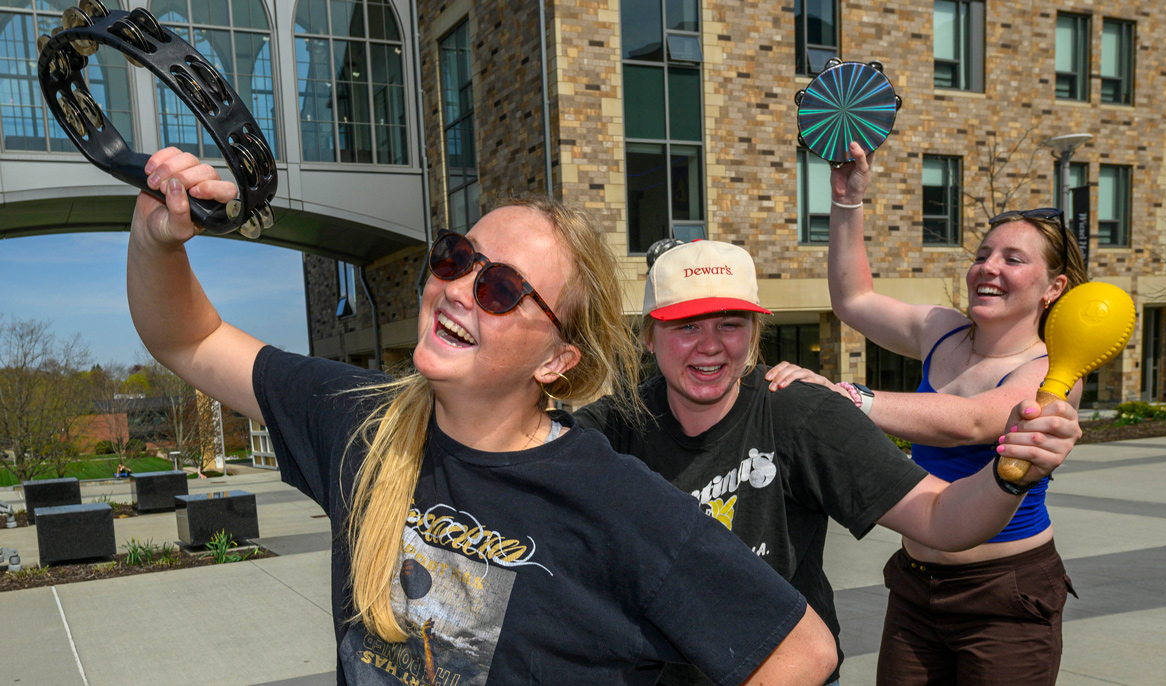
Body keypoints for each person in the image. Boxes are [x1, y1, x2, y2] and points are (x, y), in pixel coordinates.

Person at [128, 147, 837, 685]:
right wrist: (157, 238)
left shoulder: (615, 500)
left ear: (556, 359)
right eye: (457, 257)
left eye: (501, 288)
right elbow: (187, 339)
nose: (461, 289)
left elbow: (801, 651)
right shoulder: (361, 424)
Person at [575, 236, 1081, 686]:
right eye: (687, 326)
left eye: (730, 324)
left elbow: (939, 517)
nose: (711, 345)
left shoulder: (800, 411)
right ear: (649, 336)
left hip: (792, 671)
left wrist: (1012, 475)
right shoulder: (616, 425)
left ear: (754, 331)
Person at [766, 140, 1089, 684]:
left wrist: (846, 397)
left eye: (1012, 260)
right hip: (916, 587)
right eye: (982, 255)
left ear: (1053, 287)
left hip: (1005, 596)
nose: (987, 268)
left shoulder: (1053, 370)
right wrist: (847, 200)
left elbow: (972, 421)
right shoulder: (942, 330)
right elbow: (853, 300)